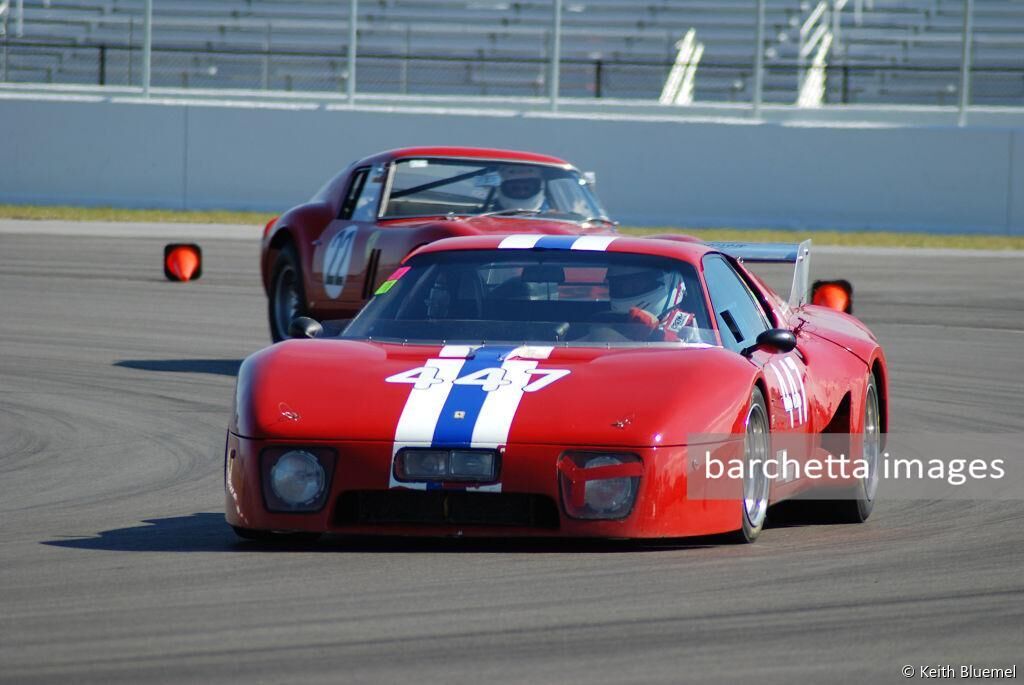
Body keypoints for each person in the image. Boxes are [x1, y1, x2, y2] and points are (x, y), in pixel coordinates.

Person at [607, 265, 701, 342]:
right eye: (620, 286)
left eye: (638, 284)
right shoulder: (603, 325)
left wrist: (655, 335)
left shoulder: (687, 326)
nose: (627, 290)